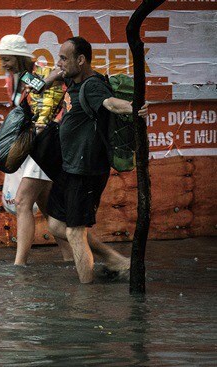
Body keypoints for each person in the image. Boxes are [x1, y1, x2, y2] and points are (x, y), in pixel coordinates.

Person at [40, 36, 148, 283]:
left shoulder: (92, 85)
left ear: (81, 60)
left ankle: (85, 301)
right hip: (69, 167)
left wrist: (134, 107)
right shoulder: (70, 78)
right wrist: (54, 75)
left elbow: (110, 103)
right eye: (59, 58)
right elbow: (34, 87)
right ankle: (116, 261)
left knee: (75, 233)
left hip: (86, 170)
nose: (60, 63)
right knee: (56, 226)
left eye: (64, 58)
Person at [0, 34, 74, 265]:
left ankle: (20, 264)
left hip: (47, 143)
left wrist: (44, 82)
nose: (4, 65)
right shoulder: (13, 79)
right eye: (2, 60)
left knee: (22, 202)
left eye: (7, 59)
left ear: (20, 57)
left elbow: (62, 77)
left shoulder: (43, 71)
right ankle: (72, 255)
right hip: (29, 144)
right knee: (48, 207)